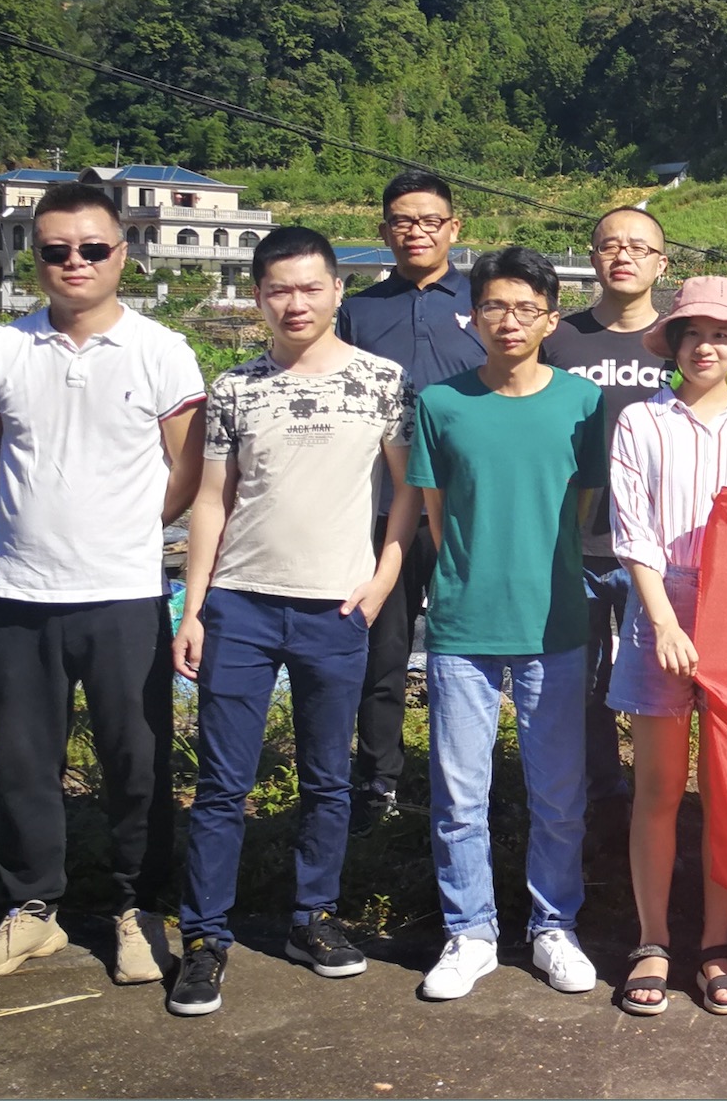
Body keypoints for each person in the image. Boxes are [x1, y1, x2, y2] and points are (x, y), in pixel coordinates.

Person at [0, 181, 205, 987]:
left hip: (124, 591)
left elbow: (187, 470)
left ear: (123, 253)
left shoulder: (161, 349)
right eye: (56, 249)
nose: (75, 262)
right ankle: (32, 912)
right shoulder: (2, 346)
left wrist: (121, 528)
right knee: (24, 763)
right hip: (21, 591)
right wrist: (35, 513)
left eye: (92, 248)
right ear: (36, 258)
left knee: (138, 763)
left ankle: (136, 909)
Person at [165, 228, 421, 1017]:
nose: (296, 303)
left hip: (334, 607)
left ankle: (313, 918)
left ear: (338, 291)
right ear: (257, 296)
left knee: (327, 780)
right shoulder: (234, 386)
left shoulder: (383, 381)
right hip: (239, 604)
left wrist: (382, 580)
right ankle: (204, 938)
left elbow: (408, 492)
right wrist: (194, 607)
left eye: (311, 287)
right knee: (221, 784)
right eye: (279, 289)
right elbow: (212, 501)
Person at [407, 247, 607, 1002]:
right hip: (462, 624)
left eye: (527, 308)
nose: (510, 320)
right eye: (495, 305)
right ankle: (471, 933)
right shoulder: (441, 403)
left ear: (551, 319)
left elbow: (582, 504)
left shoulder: (582, 402)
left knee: (559, 794)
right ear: (474, 315)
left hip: (554, 622)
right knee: (460, 796)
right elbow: (437, 514)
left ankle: (554, 926)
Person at [607, 277, 727, 1018]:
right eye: (693, 333)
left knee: (725, 792)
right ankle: (651, 940)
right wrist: (665, 623)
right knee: (658, 788)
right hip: (660, 605)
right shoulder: (641, 421)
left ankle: (714, 944)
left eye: (722, 334)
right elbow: (633, 532)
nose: (706, 346)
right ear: (673, 342)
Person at [335, 171, 487, 836]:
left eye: (430, 220)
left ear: (454, 227)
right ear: (383, 231)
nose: (416, 232)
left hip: (468, 510)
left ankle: (469, 781)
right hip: (382, 507)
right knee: (384, 649)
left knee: (468, 652)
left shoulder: (486, 302)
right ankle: (378, 783)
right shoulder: (360, 311)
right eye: (402, 220)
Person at [542, 206, 672, 852]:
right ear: (592, 258)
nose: (623, 255)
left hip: (659, 551)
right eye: (610, 245)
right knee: (582, 684)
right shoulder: (559, 339)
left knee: (657, 685)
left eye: (638, 247)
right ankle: (601, 797)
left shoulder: (680, 341)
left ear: (661, 264)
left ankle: (660, 802)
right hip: (577, 546)